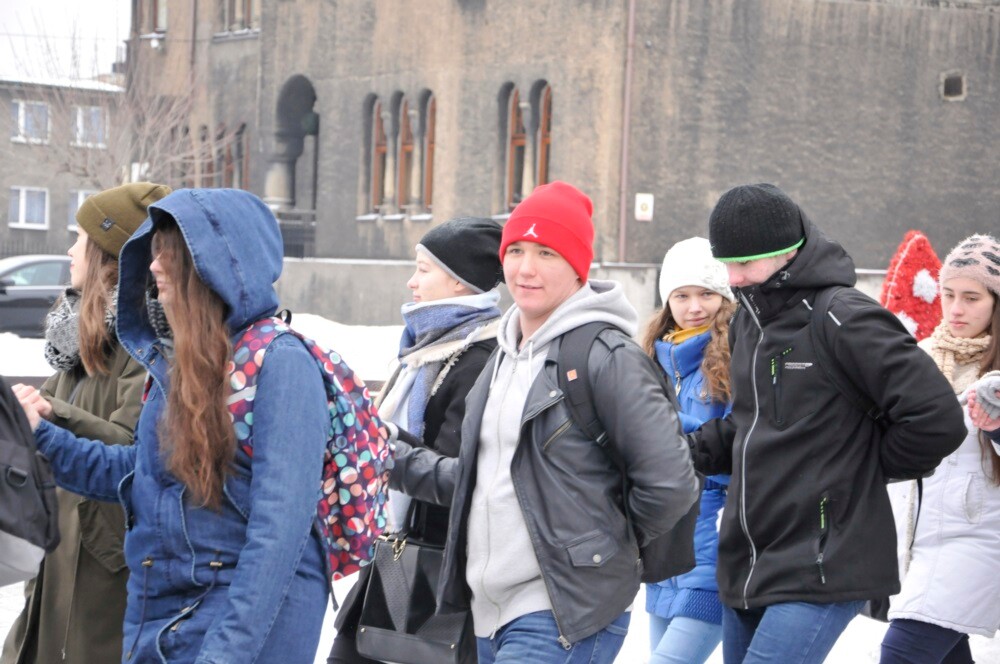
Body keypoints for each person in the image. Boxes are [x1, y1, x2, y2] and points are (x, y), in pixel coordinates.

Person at [12, 188, 332, 663]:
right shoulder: (179, 365)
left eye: (170, 253)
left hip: (233, 638)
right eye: (153, 250)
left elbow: (278, 539)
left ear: (218, 264)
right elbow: (136, 475)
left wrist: (224, 655)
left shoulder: (280, 362)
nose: (154, 266)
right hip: (161, 624)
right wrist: (38, 434)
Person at [390, 181, 700, 664]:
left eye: (547, 253)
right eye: (515, 251)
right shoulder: (501, 357)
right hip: (485, 613)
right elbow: (476, 479)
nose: (525, 268)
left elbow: (671, 485)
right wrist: (385, 452)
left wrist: (599, 553)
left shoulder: (607, 356)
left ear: (578, 267)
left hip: (559, 614)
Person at [689, 183, 967, 664]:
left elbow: (937, 418)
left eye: (745, 263)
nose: (733, 278)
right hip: (750, 559)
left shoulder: (843, 316)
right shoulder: (749, 322)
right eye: (726, 264)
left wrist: (863, 470)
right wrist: (684, 448)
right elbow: (751, 426)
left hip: (824, 558)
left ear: (788, 252)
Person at [1, 183, 169, 664]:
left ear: (109, 255)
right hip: (59, 551)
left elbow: (133, 450)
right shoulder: (80, 335)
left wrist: (51, 413)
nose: (71, 251)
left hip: (101, 563)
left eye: (80, 238)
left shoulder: (143, 341)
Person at [328, 217, 504, 664]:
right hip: (392, 555)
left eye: (423, 270)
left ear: (460, 281)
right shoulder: (421, 351)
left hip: (434, 572)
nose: (412, 281)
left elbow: (455, 473)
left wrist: (379, 440)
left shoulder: (478, 358)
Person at [881, 234, 1000, 664]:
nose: (956, 308)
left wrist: (998, 428)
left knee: (902, 653)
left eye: (972, 297)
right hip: (918, 534)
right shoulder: (922, 359)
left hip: (978, 537)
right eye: (949, 294)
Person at [641, 236, 735, 664]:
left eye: (706, 294)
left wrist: (666, 425)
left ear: (724, 296)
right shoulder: (651, 358)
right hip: (662, 548)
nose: (694, 307)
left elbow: (737, 442)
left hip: (712, 547)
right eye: (681, 295)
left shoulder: (736, 354)